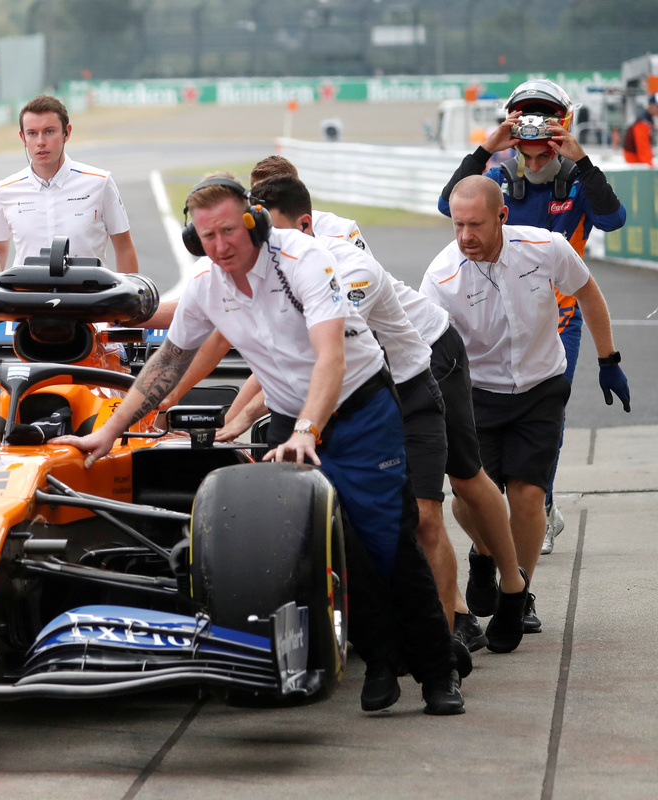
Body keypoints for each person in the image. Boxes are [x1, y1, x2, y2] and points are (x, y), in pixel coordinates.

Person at [56, 175, 463, 715]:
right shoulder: (207, 285)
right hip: (292, 419)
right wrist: (109, 432)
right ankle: (381, 661)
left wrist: (307, 429)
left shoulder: (303, 260)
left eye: (229, 230)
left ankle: (439, 671)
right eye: (207, 236)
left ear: (255, 222)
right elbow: (169, 360)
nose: (220, 245)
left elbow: (331, 358)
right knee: (331, 544)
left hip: (359, 410)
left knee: (388, 539)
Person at [251, 175, 529, 659]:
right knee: (413, 513)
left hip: (427, 357)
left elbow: (322, 354)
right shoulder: (264, 260)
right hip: (368, 383)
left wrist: (249, 414)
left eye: (273, 231)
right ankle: (454, 617)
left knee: (465, 478)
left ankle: (512, 587)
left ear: (304, 220)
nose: (265, 244)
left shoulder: (339, 245)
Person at [421, 176, 630, 635]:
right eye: (457, 225)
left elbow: (588, 292)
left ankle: (518, 593)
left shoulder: (546, 247)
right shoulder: (440, 276)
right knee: (469, 501)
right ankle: (483, 552)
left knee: (528, 496)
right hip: (478, 394)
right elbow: (427, 348)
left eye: (475, 225)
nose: (465, 236)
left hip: (541, 386)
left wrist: (608, 360)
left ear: (502, 216)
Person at [438, 79, 626, 556]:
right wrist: (486, 148)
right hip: (497, 313)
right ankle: (509, 507)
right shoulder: (498, 178)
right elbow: (447, 205)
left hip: (560, 318)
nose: (536, 163)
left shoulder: (578, 180)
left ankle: (539, 502)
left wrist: (582, 160)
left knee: (546, 417)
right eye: (528, 152)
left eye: (545, 154)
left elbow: (613, 219)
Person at [0, 94, 138, 271]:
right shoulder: (5, 191)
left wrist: (128, 289)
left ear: (66, 133)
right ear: (23, 138)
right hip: (27, 290)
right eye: (32, 133)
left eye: (49, 131)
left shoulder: (100, 183)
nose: (40, 142)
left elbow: (124, 248)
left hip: (89, 289)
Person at [623, 93, 657, 167]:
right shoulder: (643, 122)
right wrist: (650, 166)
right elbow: (643, 148)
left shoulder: (647, 119)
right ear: (651, 106)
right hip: (634, 159)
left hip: (636, 158)